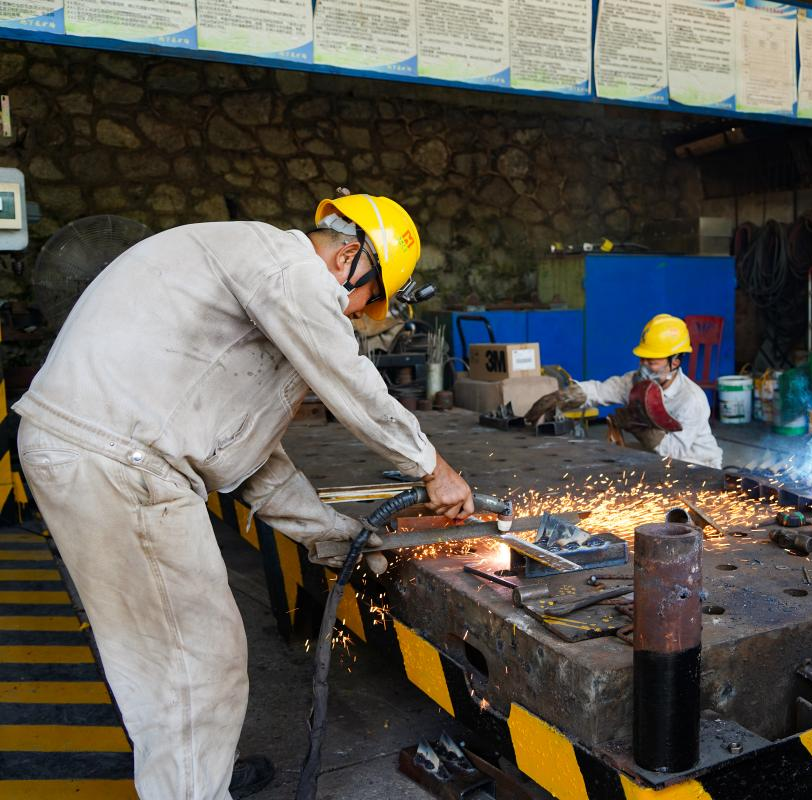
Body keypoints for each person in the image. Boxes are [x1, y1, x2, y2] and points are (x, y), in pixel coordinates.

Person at [14, 193, 474, 799]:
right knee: (196, 662)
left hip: (99, 453)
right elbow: (354, 387)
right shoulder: (291, 272)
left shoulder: (256, 275)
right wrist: (432, 468)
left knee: (169, 658)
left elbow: (249, 461)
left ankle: (198, 777)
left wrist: (333, 537)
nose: (361, 314)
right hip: (119, 462)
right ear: (349, 257)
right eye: (369, 297)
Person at [524, 314, 723, 468]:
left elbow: (675, 451)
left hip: (699, 465)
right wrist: (567, 395)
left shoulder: (691, 399)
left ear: (675, 362)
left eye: (652, 362)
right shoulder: (635, 382)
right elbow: (601, 391)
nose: (644, 366)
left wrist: (638, 428)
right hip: (659, 460)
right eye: (642, 359)